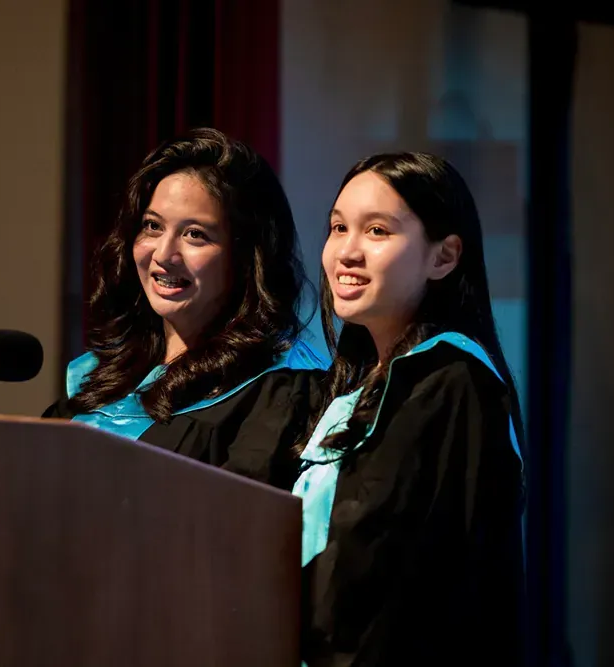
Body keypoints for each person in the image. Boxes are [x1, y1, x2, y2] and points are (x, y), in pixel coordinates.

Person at [293, 152, 526, 666]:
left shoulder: (452, 382)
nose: (346, 252)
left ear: (443, 257)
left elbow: (423, 581)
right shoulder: (355, 392)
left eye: (377, 231)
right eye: (338, 227)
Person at [44, 128, 326, 488]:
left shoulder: (278, 392)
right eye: (152, 226)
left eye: (195, 234)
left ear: (246, 258)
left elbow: (247, 527)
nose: (163, 254)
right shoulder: (97, 381)